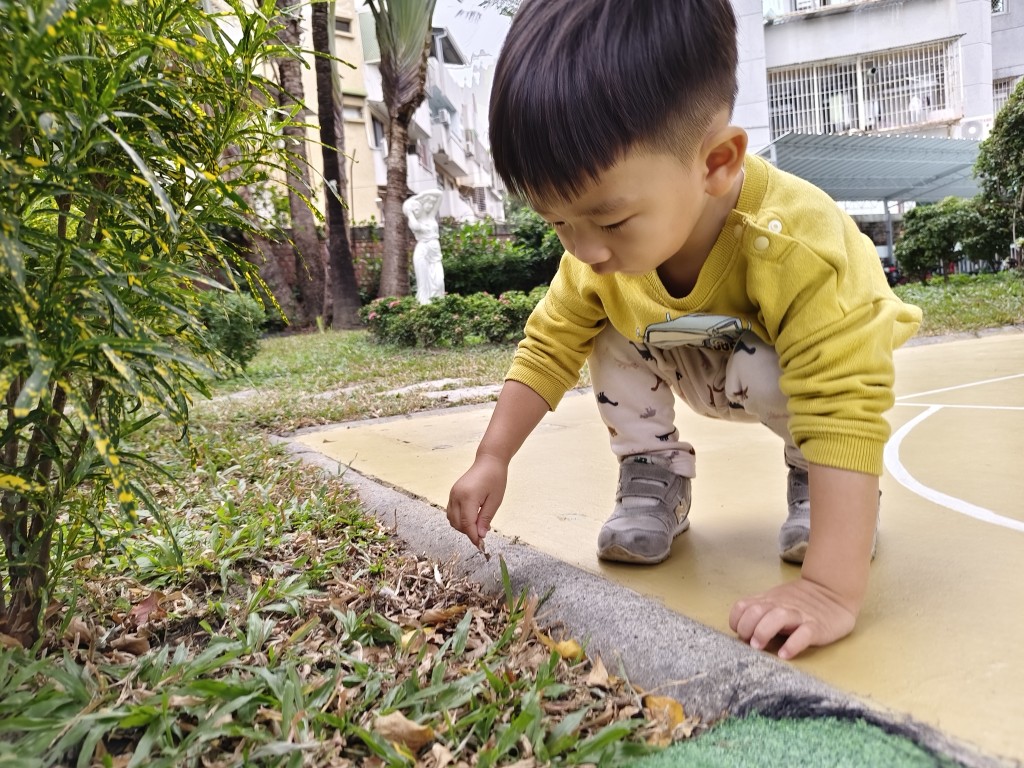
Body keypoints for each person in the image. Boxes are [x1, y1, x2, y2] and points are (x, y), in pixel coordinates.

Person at [445, 0, 922, 660]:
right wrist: (492, 457)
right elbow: (548, 345)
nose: (585, 249)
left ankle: (815, 480)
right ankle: (653, 472)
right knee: (600, 325)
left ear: (716, 163)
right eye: (557, 223)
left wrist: (828, 589)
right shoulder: (598, 255)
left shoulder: (797, 245)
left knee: (791, 378)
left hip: (789, 379)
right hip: (690, 355)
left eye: (610, 221)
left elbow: (842, 400)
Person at [404, 189, 445, 304]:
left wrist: (420, 196)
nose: (430, 206)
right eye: (428, 203)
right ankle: (424, 306)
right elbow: (416, 227)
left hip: (435, 253)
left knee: (439, 282)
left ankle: (438, 304)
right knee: (423, 284)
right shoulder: (413, 221)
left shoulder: (431, 216)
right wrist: (409, 212)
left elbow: (440, 194)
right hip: (423, 251)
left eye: (431, 203)